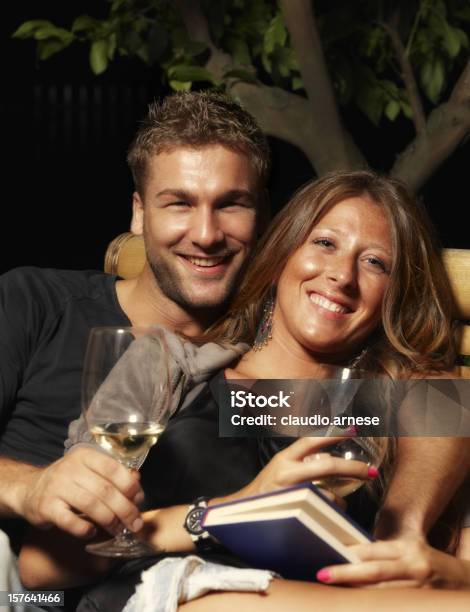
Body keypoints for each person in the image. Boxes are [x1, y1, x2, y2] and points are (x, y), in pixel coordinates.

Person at [19, 171, 470, 610]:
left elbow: (445, 399)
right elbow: (41, 567)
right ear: (281, 257)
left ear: (393, 294)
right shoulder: (170, 366)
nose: (342, 275)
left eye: (375, 263)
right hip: (175, 593)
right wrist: (224, 515)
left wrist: (403, 540)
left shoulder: (388, 412)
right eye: (325, 243)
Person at [0, 90, 270, 575]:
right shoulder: (33, 301)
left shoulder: (260, 359)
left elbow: (435, 407)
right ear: (140, 213)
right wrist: (28, 489)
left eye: (231, 204)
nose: (206, 234)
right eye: (179, 204)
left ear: (260, 217)